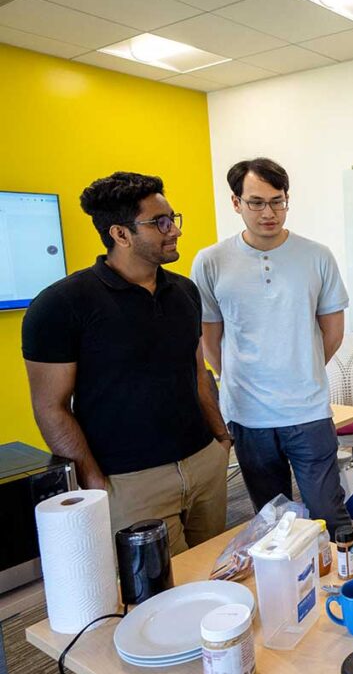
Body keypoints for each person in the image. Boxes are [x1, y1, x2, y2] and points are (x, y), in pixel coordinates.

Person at [22, 171, 230, 554]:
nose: (175, 231)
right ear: (120, 234)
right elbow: (51, 408)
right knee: (164, 595)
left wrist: (221, 439)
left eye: (173, 218)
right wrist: (96, 483)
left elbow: (198, 371)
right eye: (160, 222)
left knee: (220, 573)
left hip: (204, 463)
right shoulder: (60, 306)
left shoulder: (184, 291)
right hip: (131, 483)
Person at [191, 158, 352, 538]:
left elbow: (332, 331)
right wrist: (240, 376)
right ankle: (291, 593)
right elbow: (209, 340)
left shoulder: (316, 256)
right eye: (257, 202)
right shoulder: (211, 261)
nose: (269, 212)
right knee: (273, 520)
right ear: (236, 203)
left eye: (278, 201)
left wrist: (301, 366)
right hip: (248, 415)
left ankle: (341, 588)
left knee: (327, 511)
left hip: (308, 410)